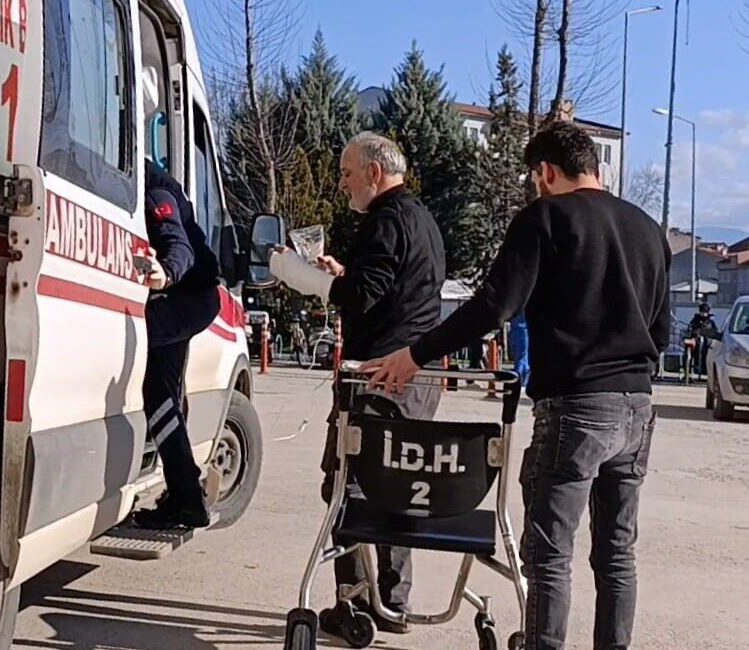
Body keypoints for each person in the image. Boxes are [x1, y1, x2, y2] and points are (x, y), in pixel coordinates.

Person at [365, 122, 671, 650]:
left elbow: (492, 307)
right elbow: (662, 331)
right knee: (617, 552)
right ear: (596, 168)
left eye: (536, 178)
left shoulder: (544, 218)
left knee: (550, 553)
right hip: (638, 407)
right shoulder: (648, 228)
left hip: (576, 405)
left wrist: (415, 355)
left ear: (546, 172)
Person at [270, 131, 447, 636]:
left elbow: (365, 297)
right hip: (416, 374)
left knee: (346, 486)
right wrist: (343, 274)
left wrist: (299, 275)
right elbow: (392, 290)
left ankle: (354, 604)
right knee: (398, 486)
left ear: (374, 172)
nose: (342, 182)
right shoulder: (421, 220)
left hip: (377, 377)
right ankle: (393, 601)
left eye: (347, 173)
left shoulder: (384, 221)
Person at [131, 67, 222, 530]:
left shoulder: (154, 189)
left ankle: (185, 495)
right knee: (162, 393)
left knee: (137, 356)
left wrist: (164, 274)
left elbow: (178, 245)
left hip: (188, 297)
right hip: (189, 300)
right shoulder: (153, 181)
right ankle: (186, 499)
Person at [687, 302, 717, 376]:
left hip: (707, 343)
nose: (703, 314)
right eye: (702, 312)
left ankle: (705, 369)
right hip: (696, 342)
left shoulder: (710, 321)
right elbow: (691, 328)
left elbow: (714, 331)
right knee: (692, 351)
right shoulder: (696, 319)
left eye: (705, 312)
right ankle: (692, 369)